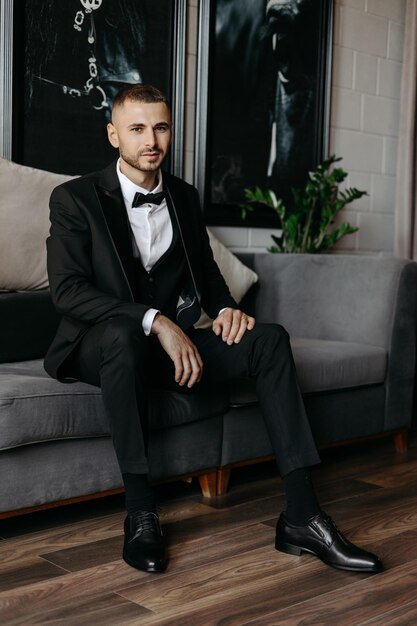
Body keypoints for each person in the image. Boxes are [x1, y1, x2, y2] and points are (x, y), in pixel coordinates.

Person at [44, 83, 382, 575]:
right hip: (101, 344)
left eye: (160, 127)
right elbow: (67, 292)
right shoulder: (74, 198)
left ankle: (303, 517)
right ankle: (141, 513)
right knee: (122, 336)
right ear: (113, 135)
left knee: (270, 340)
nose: (151, 140)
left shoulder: (183, 196)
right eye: (137, 129)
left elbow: (204, 272)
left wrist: (224, 309)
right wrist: (155, 320)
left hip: (165, 347)